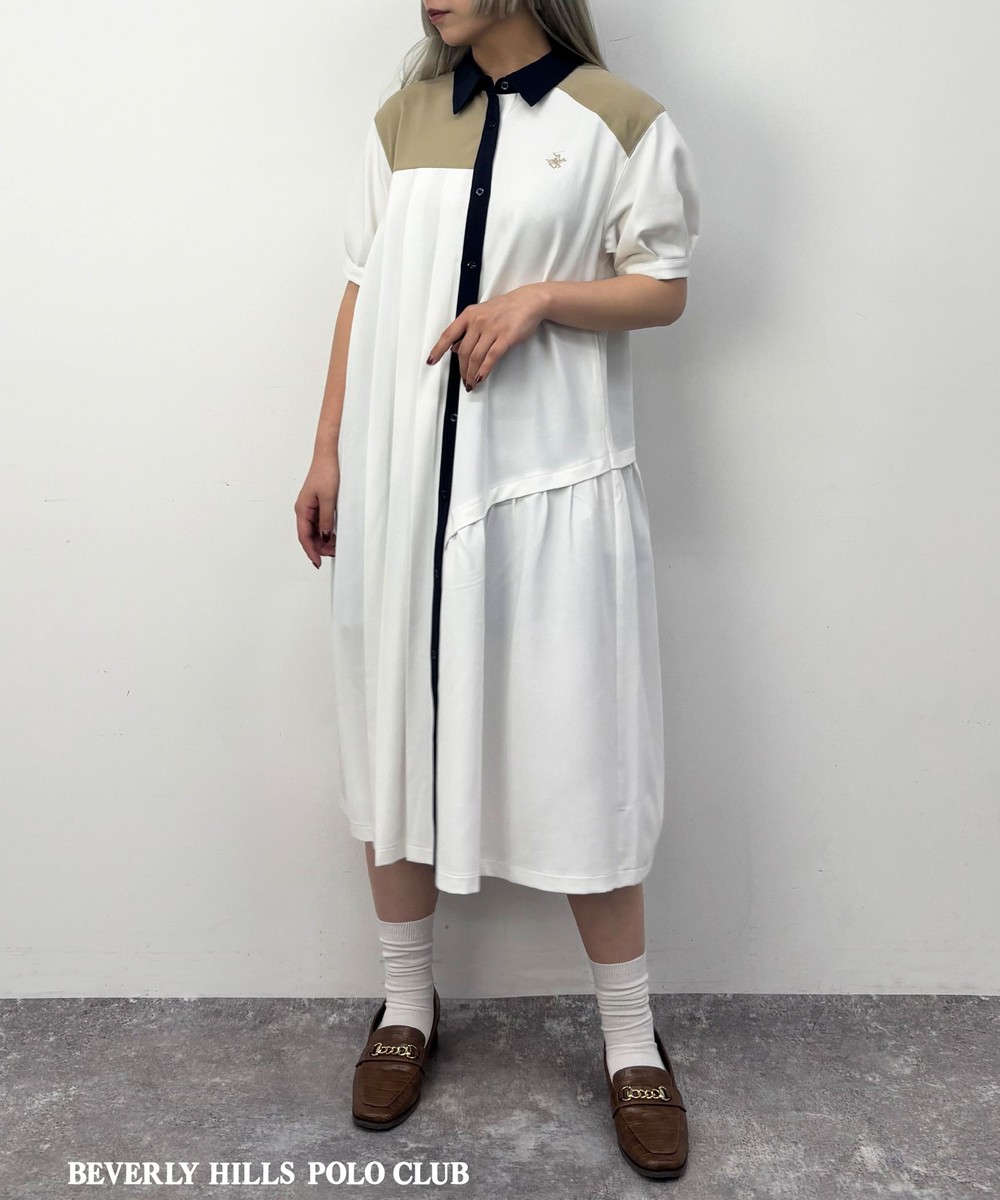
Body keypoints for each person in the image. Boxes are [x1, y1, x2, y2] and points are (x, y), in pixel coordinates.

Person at [294, 0, 700, 1180]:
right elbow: (363, 287)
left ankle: (631, 1040)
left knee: (583, 747)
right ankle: (404, 1006)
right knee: (396, 736)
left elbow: (662, 282)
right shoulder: (403, 117)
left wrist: (541, 299)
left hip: (549, 487)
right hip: (400, 490)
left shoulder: (617, 120)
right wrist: (327, 452)